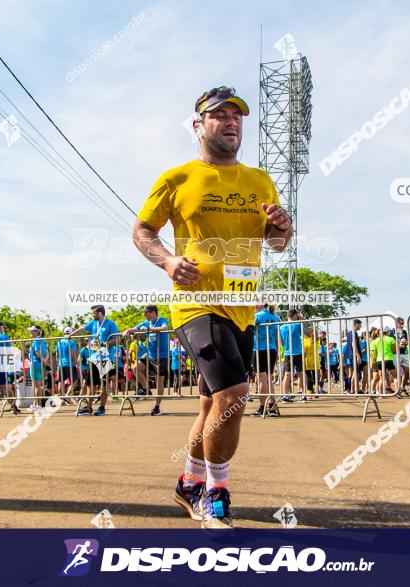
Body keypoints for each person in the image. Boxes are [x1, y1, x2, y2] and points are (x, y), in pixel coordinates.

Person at [132, 85, 292, 528]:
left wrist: (284, 227)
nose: (231, 122)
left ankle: (187, 482)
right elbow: (143, 230)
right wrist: (166, 260)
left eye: (237, 116)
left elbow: (276, 245)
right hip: (196, 304)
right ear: (198, 125)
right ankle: (217, 491)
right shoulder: (177, 178)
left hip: (242, 306)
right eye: (219, 116)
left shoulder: (258, 180)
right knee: (236, 395)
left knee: (211, 407)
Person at [70, 305, 120, 416]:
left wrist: (106, 343)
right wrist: (71, 335)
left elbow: (117, 339)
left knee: (104, 384)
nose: (92, 315)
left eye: (94, 313)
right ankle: (89, 407)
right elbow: (82, 329)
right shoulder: (93, 323)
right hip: (94, 358)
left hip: (105, 358)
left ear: (100, 313)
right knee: (90, 384)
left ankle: (102, 407)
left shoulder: (110, 324)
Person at [121, 305, 170, 416]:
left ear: (153, 313)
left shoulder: (162, 320)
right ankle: (146, 389)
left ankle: (157, 406)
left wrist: (149, 329)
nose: (144, 315)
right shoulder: (145, 322)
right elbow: (135, 328)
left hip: (161, 356)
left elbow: (164, 328)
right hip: (150, 355)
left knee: (159, 382)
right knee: (135, 368)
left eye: (146, 313)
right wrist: (127, 330)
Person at [250, 304, 280, 416]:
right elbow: (277, 336)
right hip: (272, 349)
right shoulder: (274, 316)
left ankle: (262, 407)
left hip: (259, 349)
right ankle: (272, 406)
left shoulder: (257, 316)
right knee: (269, 379)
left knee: (262, 379)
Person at [279, 309, 305, 402]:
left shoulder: (281, 327)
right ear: (294, 316)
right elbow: (308, 334)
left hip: (287, 353)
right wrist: (302, 320)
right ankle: (303, 394)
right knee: (300, 374)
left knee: (287, 375)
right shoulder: (298, 324)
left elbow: (280, 342)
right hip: (298, 352)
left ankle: (285, 396)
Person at [28, 326, 50, 411]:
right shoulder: (42, 340)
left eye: (32, 331)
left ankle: (39, 406)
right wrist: (45, 364)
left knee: (37, 387)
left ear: (37, 332)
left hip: (35, 364)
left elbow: (38, 353)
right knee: (36, 386)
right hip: (40, 364)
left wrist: (45, 364)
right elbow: (47, 353)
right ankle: (35, 404)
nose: (31, 333)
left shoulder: (37, 340)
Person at [54, 327, 79, 398]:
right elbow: (73, 355)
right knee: (75, 381)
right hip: (70, 364)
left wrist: (58, 364)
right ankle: (67, 395)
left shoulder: (59, 342)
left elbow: (57, 355)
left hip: (61, 364)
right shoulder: (71, 342)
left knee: (61, 381)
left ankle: (61, 399)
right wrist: (78, 364)